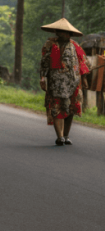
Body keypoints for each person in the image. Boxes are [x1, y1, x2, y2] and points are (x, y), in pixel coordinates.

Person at [39, 18, 90, 146]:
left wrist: (84, 79)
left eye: (66, 32)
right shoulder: (49, 45)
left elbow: (82, 62)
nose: (63, 34)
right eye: (60, 31)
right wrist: (42, 78)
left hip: (73, 83)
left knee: (70, 109)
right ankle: (60, 137)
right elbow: (44, 62)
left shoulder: (75, 46)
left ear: (69, 34)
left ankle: (66, 135)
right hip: (56, 83)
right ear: (57, 32)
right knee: (56, 108)